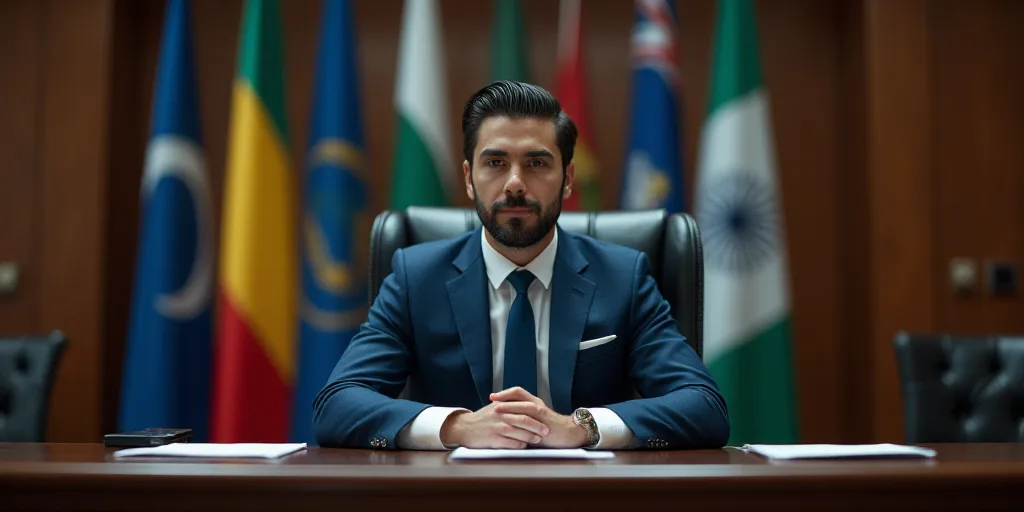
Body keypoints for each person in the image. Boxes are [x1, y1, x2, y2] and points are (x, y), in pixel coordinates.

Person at [313, 81, 729, 450]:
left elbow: (703, 406)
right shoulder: (415, 276)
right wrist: (457, 426)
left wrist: (580, 427)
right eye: (495, 163)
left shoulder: (623, 277)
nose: (515, 183)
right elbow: (338, 403)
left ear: (567, 178)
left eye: (536, 163)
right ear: (469, 177)